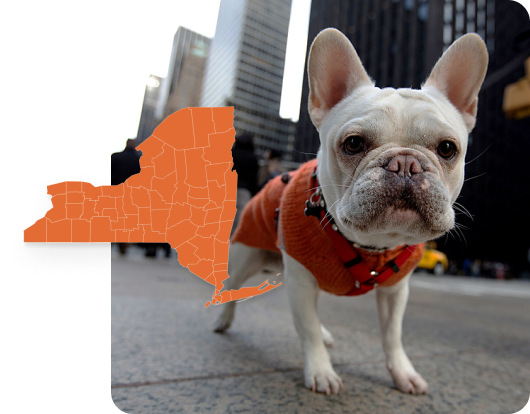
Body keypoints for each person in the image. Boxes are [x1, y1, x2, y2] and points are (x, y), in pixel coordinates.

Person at [231, 132, 259, 235]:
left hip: (227, 188)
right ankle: (231, 245)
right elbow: (253, 179)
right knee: (239, 221)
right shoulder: (252, 158)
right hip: (244, 191)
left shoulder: (231, 152)